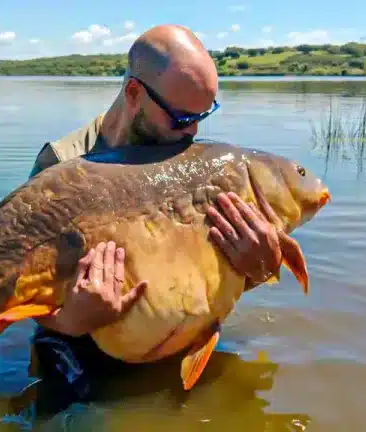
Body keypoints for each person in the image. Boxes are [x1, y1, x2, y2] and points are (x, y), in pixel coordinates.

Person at [25, 24, 284, 415]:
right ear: (134, 94)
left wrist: (256, 270)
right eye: (182, 118)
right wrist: (70, 321)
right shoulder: (60, 167)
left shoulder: (196, 162)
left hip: (182, 342)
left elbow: (199, 276)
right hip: (79, 348)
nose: (193, 132)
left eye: (203, 116)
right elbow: (25, 294)